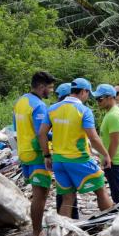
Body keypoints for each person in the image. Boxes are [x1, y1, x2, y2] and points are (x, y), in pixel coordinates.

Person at [38, 78, 114, 217]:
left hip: (59, 161)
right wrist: (106, 155)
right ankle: (112, 228)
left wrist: (47, 155)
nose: (88, 97)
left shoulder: (53, 109)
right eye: (88, 93)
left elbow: (42, 133)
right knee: (101, 190)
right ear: (84, 91)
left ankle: (62, 234)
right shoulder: (84, 111)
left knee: (68, 198)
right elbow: (93, 137)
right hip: (79, 159)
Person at [12, 71, 55, 236]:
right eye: (50, 88)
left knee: (36, 194)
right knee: (40, 195)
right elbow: (41, 134)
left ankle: (36, 230)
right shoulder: (38, 106)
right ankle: (36, 234)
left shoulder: (20, 102)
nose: (51, 91)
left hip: (24, 153)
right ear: (42, 87)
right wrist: (47, 153)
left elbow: (16, 128)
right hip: (37, 155)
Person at [93, 84, 119, 204]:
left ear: (110, 97)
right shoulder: (111, 113)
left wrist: (107, 158)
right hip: (117, 161)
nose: (98, 102)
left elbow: (116, 140)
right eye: (96, 99)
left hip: (116, 162)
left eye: (100, 99)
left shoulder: (114, 115)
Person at [52, 83, 80, 220]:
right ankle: (70, 221)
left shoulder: (53, 109)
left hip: (58, 157)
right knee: (68, 194)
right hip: (73, 156)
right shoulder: (75, 109)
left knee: (64, 192)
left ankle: (65, 221)